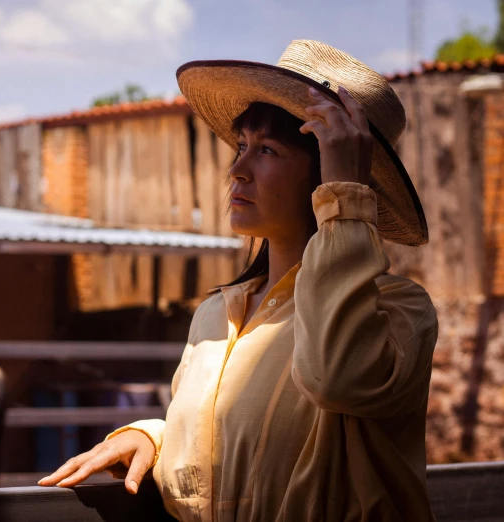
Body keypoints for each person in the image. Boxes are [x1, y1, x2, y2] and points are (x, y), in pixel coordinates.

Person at [39, 40, 438, 521]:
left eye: (267, 150)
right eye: (242, 145)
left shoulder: (399, 312)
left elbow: (336, 379)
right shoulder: (214, 315)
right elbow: (234, 442)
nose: (237, 170)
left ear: (331, 171)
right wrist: (152, 435)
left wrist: (346, 198)